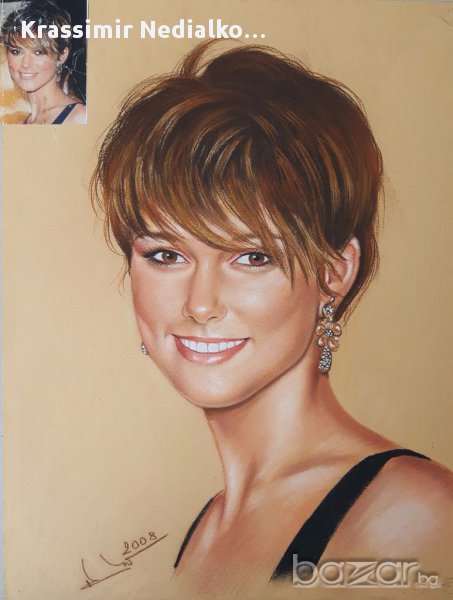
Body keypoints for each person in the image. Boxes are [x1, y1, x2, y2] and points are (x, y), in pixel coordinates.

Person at [92, 42, 452, 596]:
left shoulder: (412, 516)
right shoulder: (206, 528)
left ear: (334, 271)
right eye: (165, 255)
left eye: (252, 257)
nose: (201, 304)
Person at [1, 0, 86, 124]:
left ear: (61, 56)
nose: (25, 64)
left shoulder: (80, 117)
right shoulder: (19, 124)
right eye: (16, 51)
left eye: (38, 52)